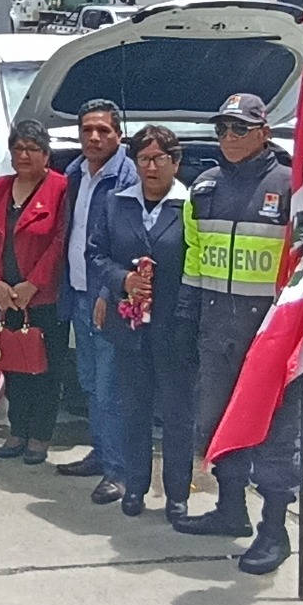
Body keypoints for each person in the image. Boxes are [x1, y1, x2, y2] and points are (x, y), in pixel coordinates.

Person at [173, 92, 303, 575]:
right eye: (223, 128)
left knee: (276, 440)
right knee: (221, 427)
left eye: (239, 129)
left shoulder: (295, 188)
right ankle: (230, 511)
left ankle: (273, 530)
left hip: (273, 342)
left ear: (264, 131)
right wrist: (186, 317)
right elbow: (195, 258)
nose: (229, 138)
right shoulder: (202, 189)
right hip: (217, 333)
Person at [88, 125, 190, 518]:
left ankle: (177, 493)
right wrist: (123, 281)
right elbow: (96, 254)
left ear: (175, 162)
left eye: (158, 159)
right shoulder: (117, 204)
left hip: (174, 329)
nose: (150, 167)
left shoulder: (190, 206)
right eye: (143, 159)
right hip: (128, 329)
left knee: (178, 414)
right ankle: (135, 486)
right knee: (134, 409)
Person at [0, 121, 74, 465]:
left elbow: (60, 240)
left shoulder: (60, 188)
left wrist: (35, 284)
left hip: (40, 298)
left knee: (44, 368)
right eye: (19, 148)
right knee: (12, 365)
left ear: (46, 154)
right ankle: (17, 430)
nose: (25, 155)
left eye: (33, 148)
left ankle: (40, 435)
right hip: (3, 298)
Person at [61, 99, 132, 494]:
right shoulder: (75, 172)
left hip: (108, 297)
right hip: (78, 291)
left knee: (110, 387)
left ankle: (119, 472)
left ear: (118, 135)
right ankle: (101, 454)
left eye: (103, 130)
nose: (94, 136)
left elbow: (128, 241)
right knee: (88, 381)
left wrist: (110, 290)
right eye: (87, 129)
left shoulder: (126, 177)